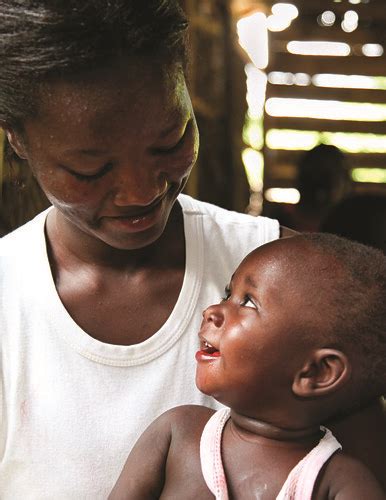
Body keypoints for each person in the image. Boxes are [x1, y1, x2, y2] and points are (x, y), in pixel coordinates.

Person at [0, 1, 383, 497]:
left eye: (170, 140)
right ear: (18, 140)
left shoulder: (306, 286)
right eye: (90, 170)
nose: (141, 192)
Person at [109, 234, 386, 499]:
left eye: (248, 302)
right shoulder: (177, 434)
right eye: (227, 295)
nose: (212, 311)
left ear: (316, 373)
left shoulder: (336, 483)